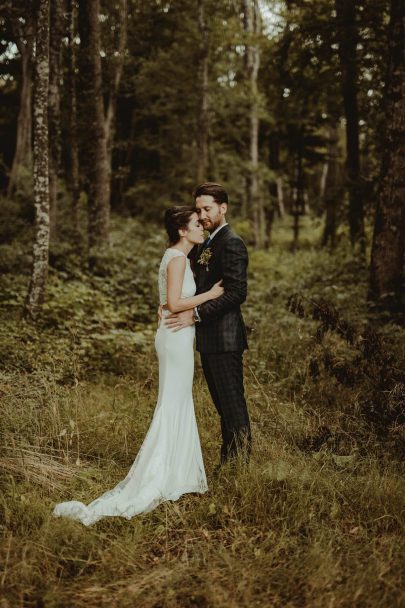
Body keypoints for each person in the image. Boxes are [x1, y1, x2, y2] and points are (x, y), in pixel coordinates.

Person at [53, 206, 224, 526]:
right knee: (171, 404)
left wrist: (175, 304)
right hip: (175, 340)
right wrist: (210, 294)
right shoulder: (175, 258)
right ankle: (160, 474)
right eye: (196, 225)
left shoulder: (179, 258)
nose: (201, 228)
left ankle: (178, 471)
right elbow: (174, 303)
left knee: (179, 402)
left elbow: (166, 303)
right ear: (183, 231)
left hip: (178, 336)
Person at [165, 183, 252, 467]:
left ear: (222, 208)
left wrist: (196, 315)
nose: (202, 214)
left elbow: (237, 292)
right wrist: (167, 303)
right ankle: (227, 464)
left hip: (225, 339)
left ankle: (239, 468)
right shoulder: (206, 242)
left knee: (232, 407)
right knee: (222, 409)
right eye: (199, 209)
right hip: (208, 340)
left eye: (207, 209)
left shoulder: (232, 242)